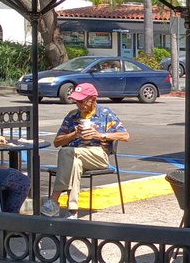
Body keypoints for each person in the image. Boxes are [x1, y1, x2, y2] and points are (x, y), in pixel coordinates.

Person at [41, 82, 129, 219]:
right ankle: (73, 211)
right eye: (77, 101)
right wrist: (74, 134)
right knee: (74, 163)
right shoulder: (72, 116)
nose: (79, 105)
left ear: (93, 99)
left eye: (82, 101)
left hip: (98, 154)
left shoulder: (105, 113)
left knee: (67, 152)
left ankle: (54, 199)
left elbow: (125, 135)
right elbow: (57, 142)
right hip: (75, 154)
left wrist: (100, 135)